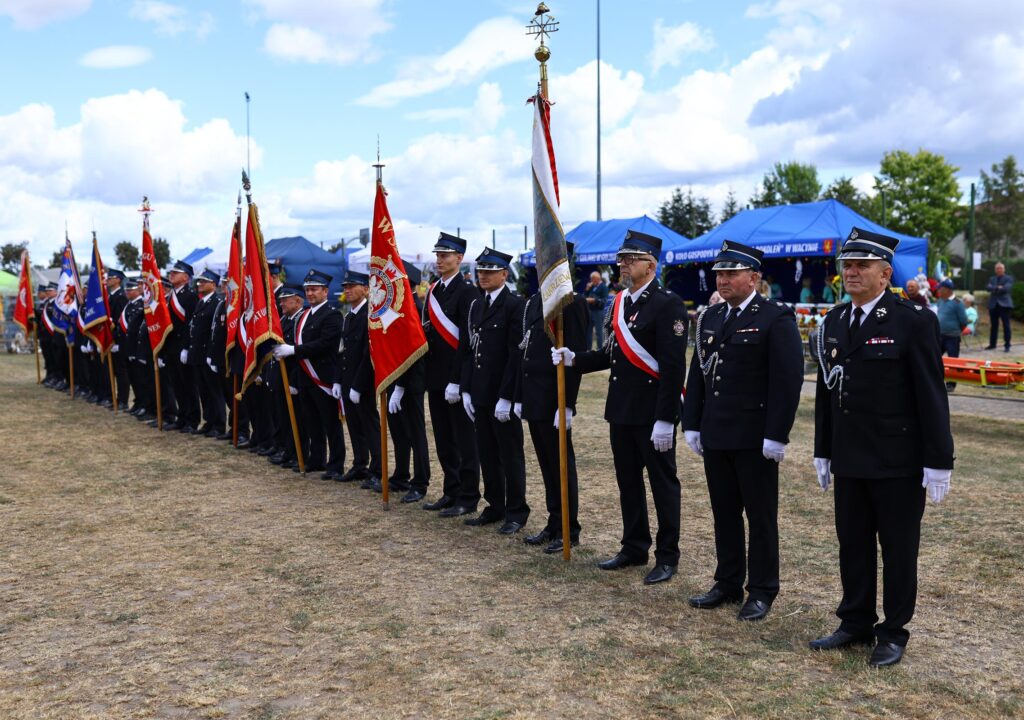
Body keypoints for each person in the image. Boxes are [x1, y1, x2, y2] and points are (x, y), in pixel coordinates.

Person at [811, 226, 954, 668]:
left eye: (861, 266)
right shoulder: (834, 321)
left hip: (897, 460)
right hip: (850, 456)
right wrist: (823, 448)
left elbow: (931, 394)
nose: (851, 272)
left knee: (897, 548)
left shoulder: (912, 320)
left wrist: (938, 460)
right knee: (852, 543)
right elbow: (826, 391)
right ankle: (855, 620)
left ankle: (892, 632)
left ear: (885, 272)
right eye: (847, 266)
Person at [551, 230, 688, 585]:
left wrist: (665, 418)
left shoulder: (667, 304)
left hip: (651, 412)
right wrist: (574, 359)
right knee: (628, 482)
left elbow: (673, 368)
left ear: (651, 264)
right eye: (621, 259)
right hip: (621, 409)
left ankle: (667, 556)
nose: (622, 265)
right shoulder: (619, 302)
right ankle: (634, 546)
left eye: (630, 259)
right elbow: (611, 354)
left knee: (662, 484)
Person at [682, 240, 804, 621]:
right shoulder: (712, 318)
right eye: (719, 273)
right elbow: (699, 373)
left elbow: (787, 380)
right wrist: (692, 422)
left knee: (761, 516)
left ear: (754, 277)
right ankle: (728, 581)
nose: (723, 280)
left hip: (754, 435)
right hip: (717, 432)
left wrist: (777, 433)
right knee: (724, 512)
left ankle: (763, 589)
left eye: (731, 273)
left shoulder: (775, 318)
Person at [517, 242, 588, 553]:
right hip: (534, 396)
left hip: (554, 396)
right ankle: (553, 520)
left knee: (561, 464)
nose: (540, 264)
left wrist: (568, 404)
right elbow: (528, 348)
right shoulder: (536, 301)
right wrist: (520, 395)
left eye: (546, 259)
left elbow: (577, 356)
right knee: (546, 464)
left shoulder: (573, 302)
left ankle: (568, 529)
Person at [458, 248, 528, 534]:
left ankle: (516, 511)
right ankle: (495, 505)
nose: (482, 276)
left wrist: (508, 397)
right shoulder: (477, 305)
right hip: (480, 392)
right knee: (486, 452)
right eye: (480, 271)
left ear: (504, 274)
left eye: (489, 271)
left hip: (502, 394)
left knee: (510, 454)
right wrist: (465, 388)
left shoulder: (515, 305)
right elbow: (469, 350)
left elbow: (515, 355)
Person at [421, 233, 482, 517]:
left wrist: (457, 380)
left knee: (464, 440)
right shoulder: (434, 291)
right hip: (435, 376)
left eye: (445, 256)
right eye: (438, 255)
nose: (439, 260)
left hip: (455, 378)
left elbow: (466, 341)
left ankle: (468, 496)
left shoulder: (468, 291)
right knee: (444, 438)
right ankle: (451, 490)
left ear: (459, 258)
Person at [272, 269, 345, 477]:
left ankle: (336, 464)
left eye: (314, 289)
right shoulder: (303, 317)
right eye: (308, 290)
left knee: (331, 423)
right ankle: (317, 459)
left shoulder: (332, 315)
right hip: (305, 378)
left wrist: (294, 350)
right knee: (311, 421)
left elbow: (323, 344)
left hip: (322, 376)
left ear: (325, 291)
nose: (310, 293)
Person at [385, 264, 431, 504]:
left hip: (411, 381)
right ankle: (401, 474)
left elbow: (412, 351)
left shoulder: (415, 308)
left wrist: (401, 386)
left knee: (415, 432)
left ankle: (420, 481)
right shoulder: (398, 306)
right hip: (394, 378)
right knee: (398, 431)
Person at [334, 270, 382, 489]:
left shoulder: (369, 316)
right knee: (353, 424)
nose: (348, 290)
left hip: (363, 381)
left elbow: (368, 353)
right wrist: (338, 380)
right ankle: (360, 464)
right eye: (345, 287)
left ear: (365, 289)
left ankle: (377, 469)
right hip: (348, 379)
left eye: (352, 286)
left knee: (370, 425)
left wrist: (358, 385)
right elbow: (342, 351)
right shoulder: (349, 316)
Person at [187, 269, 225, 437]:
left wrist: (212, 354)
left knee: (214, 391)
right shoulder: (201, 302)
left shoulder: (217, 302)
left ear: (213, 285)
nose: (200, 284)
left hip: (209, 354)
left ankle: (219, 424)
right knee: (203, 390)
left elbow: (214, 331)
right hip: (198, 354)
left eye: (204, 281)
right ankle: (209, 421)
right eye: (199, 281)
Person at [164, 260, 199, 433]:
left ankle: (192, 420)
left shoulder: (190, 296)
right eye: (171, 272)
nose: (171, 275)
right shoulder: (170, 296)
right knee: (176, 384)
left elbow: (189, 324)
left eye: (176, 273)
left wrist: (186, 347)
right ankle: (182, 417)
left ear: (185, 277)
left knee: (188, 385)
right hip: (171, 348)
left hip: (182, 347)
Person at [935, 279, 968, 391]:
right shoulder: (940, 301)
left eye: (941, 288)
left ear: (947, 290)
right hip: (940, 335)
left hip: (952, 337)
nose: (938, 290)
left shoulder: (957, 303)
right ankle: (935, 380)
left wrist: (957, 330)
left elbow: (963, 320)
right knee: (934, 357)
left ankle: (951, 384)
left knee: (953, 360)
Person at [986, 262, 1014, 352]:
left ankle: (1007, 345)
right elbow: (987, 288)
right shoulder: (992, 278)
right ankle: (992, 344)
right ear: (995, 270)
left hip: (1005, 305)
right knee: (994, 325)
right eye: (997, 268)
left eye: (1000, 268)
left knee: (1006, 325)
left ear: (1004, 269)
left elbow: (1006, 288)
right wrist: (998, 287)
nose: (999, 270)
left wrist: (994, 288)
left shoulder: (1008, 278)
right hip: (993, 304)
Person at [583, 271, 608, 350]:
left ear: (597, 279)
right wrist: (587, 289)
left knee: (599, 332)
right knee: (588, 331)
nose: (591, 281)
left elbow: (604, 301)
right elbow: (585, 296)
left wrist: (594, 300)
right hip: (590, 311)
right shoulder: (592, 286)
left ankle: (600, 349)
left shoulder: (603, 287)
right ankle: (588, 348)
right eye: (591, 279)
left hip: (598, 312)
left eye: (592, 279)